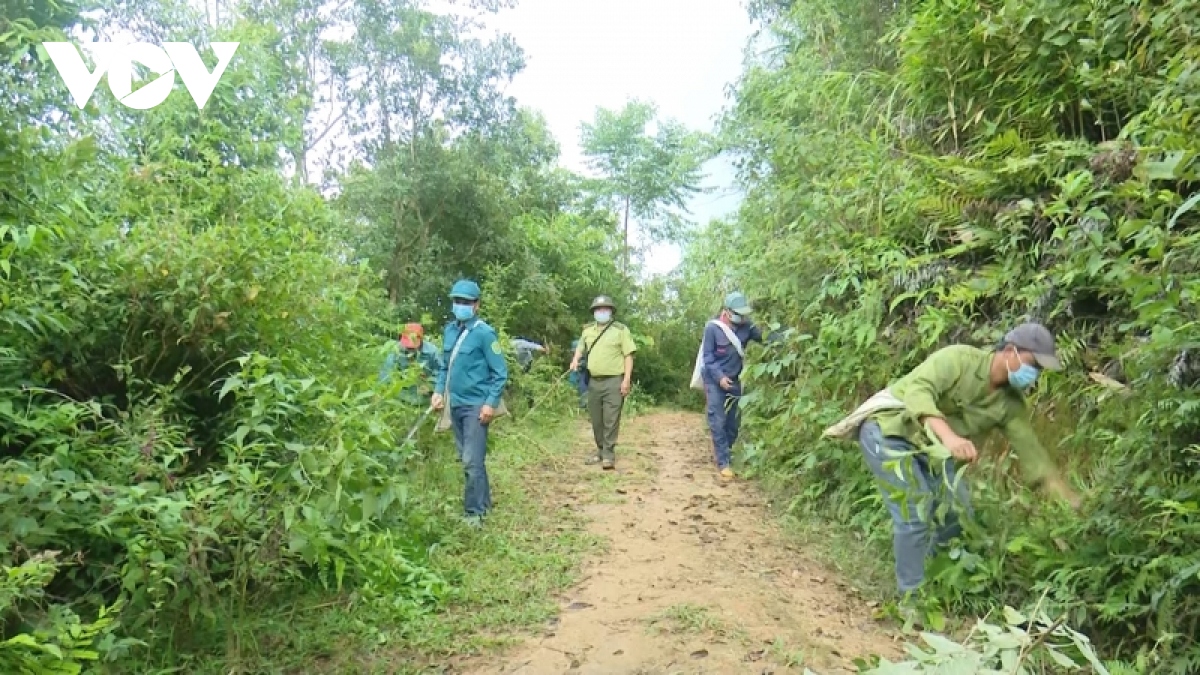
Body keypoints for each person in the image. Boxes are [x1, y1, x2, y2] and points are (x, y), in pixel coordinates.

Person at [824, 322, 1082, 615]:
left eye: (1039, 369)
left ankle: (932, 576)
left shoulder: (1010, 404)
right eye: (1033, 364)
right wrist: (950, 437)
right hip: (891, 432)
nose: (1034, 374)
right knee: (914, 512)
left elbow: (1035, 459)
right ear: (1011, 352)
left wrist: (1070, 503)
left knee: (959, 514)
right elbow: (919, 392)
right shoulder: (958, 359)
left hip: (936, 453)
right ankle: (911, 601)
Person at [431, 280, 509, 527]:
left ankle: (474, 514)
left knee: (471, 460)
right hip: (456, 405)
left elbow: (500, 372)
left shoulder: (485, 334)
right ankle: (483, 505)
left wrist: (490, 404)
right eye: (457, 301)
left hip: (477, 406)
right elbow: (445, 366)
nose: (460, 306)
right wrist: (437, 391)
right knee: (468, 458)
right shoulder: (449, 331)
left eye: (466, 302)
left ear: (476, 305)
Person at [698, 292, 771, 480]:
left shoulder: (747, 326)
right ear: (727, 312)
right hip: (714, 380)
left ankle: (726, 450)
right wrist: (719, 377)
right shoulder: (712, 329)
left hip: (735, 380)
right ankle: (723, 462)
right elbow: (708, 357)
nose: (742, 317)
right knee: (718, 419)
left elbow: (765, 338)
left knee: (733, 423)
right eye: (738, 314)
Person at [570, 296, 636, 470]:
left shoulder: (620, 330)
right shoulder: (587, 331)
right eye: (598, 309)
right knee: (596, 419)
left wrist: (626, 380)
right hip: (594, 381)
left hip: (614, 381)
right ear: (594, 312)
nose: (602, 312)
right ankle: (600, 450)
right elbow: (580, 348)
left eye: (605, 309)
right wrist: (575, 360)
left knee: (611, 418)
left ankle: (608, 454)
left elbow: (628, 355)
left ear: (611, 311)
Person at [379, 323, 442, 406]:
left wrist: (431, 387)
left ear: (421, 340)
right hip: (402, 396)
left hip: (427, 397)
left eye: (412, 347)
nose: (409, 349)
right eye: (407, 346)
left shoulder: (432, 352)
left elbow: (442, 373)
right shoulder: (396, 351)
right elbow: (386, 374)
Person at [568, 338, 587, 409]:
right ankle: (572, 403)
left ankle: (583, 406)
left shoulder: (586, 357)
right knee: (572, 386)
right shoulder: (573, 357)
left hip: (583, 375)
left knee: (583, 389)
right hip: (575, 374)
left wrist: (580, 364)